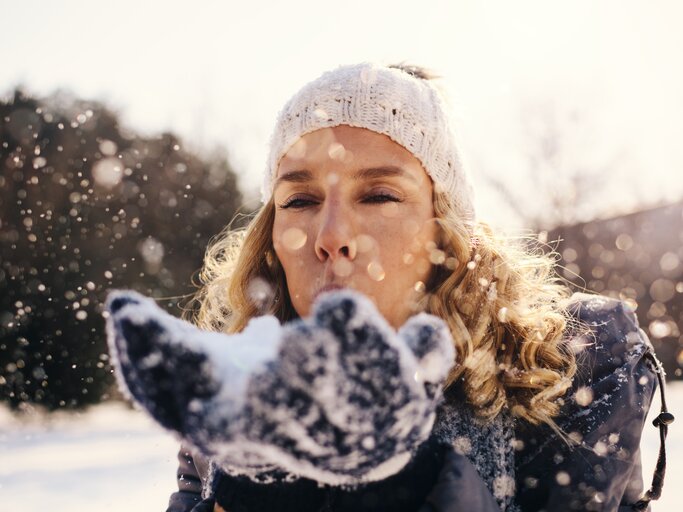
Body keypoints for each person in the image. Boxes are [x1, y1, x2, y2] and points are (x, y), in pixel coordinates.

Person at [105, 62, 673, 512]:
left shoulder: (567, 368)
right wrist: (252, 491)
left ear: (444, 231)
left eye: (378, 195)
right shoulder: (234, 399)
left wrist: (413, 480)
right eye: (299, 200)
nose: (331, 237)